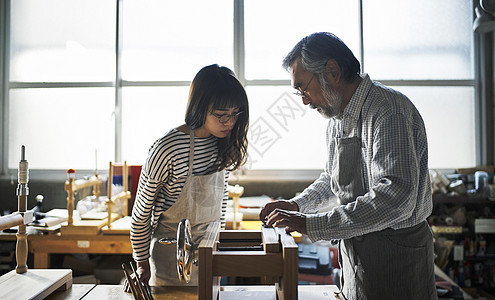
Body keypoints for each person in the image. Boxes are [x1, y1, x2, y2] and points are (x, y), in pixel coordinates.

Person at [259, 32, 437, 300]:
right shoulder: (337, 118)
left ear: (332, 72)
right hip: (357, 255)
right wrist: (296, 206)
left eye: (303, 88)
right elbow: (332, 180)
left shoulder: (387, 110)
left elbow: (396, 198)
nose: (304, 100)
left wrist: (313, 224)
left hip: (397, 257)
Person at [125, 64, 249, 290]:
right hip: (171, 262)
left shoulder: (222, 143)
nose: (229, 123)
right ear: (200, 107)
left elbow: (220, 207)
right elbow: (141, 213)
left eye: (234, 114)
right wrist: (141, 262)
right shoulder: (167, 149)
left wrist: (217, 249)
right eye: (221, 115)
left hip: (210, 259)